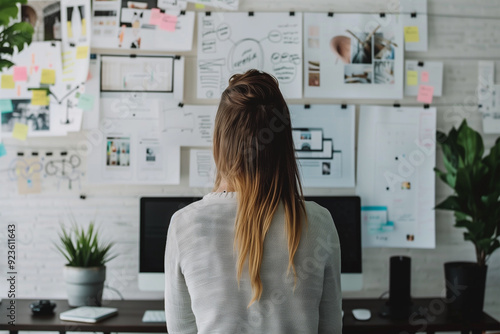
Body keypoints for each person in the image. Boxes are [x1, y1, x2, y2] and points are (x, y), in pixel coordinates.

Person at [164, 69, 342, 334]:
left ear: (218, 143)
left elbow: (180, 330)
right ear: (283, 145)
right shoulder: (319, 222)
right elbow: (331, 329)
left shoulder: (185, 225)